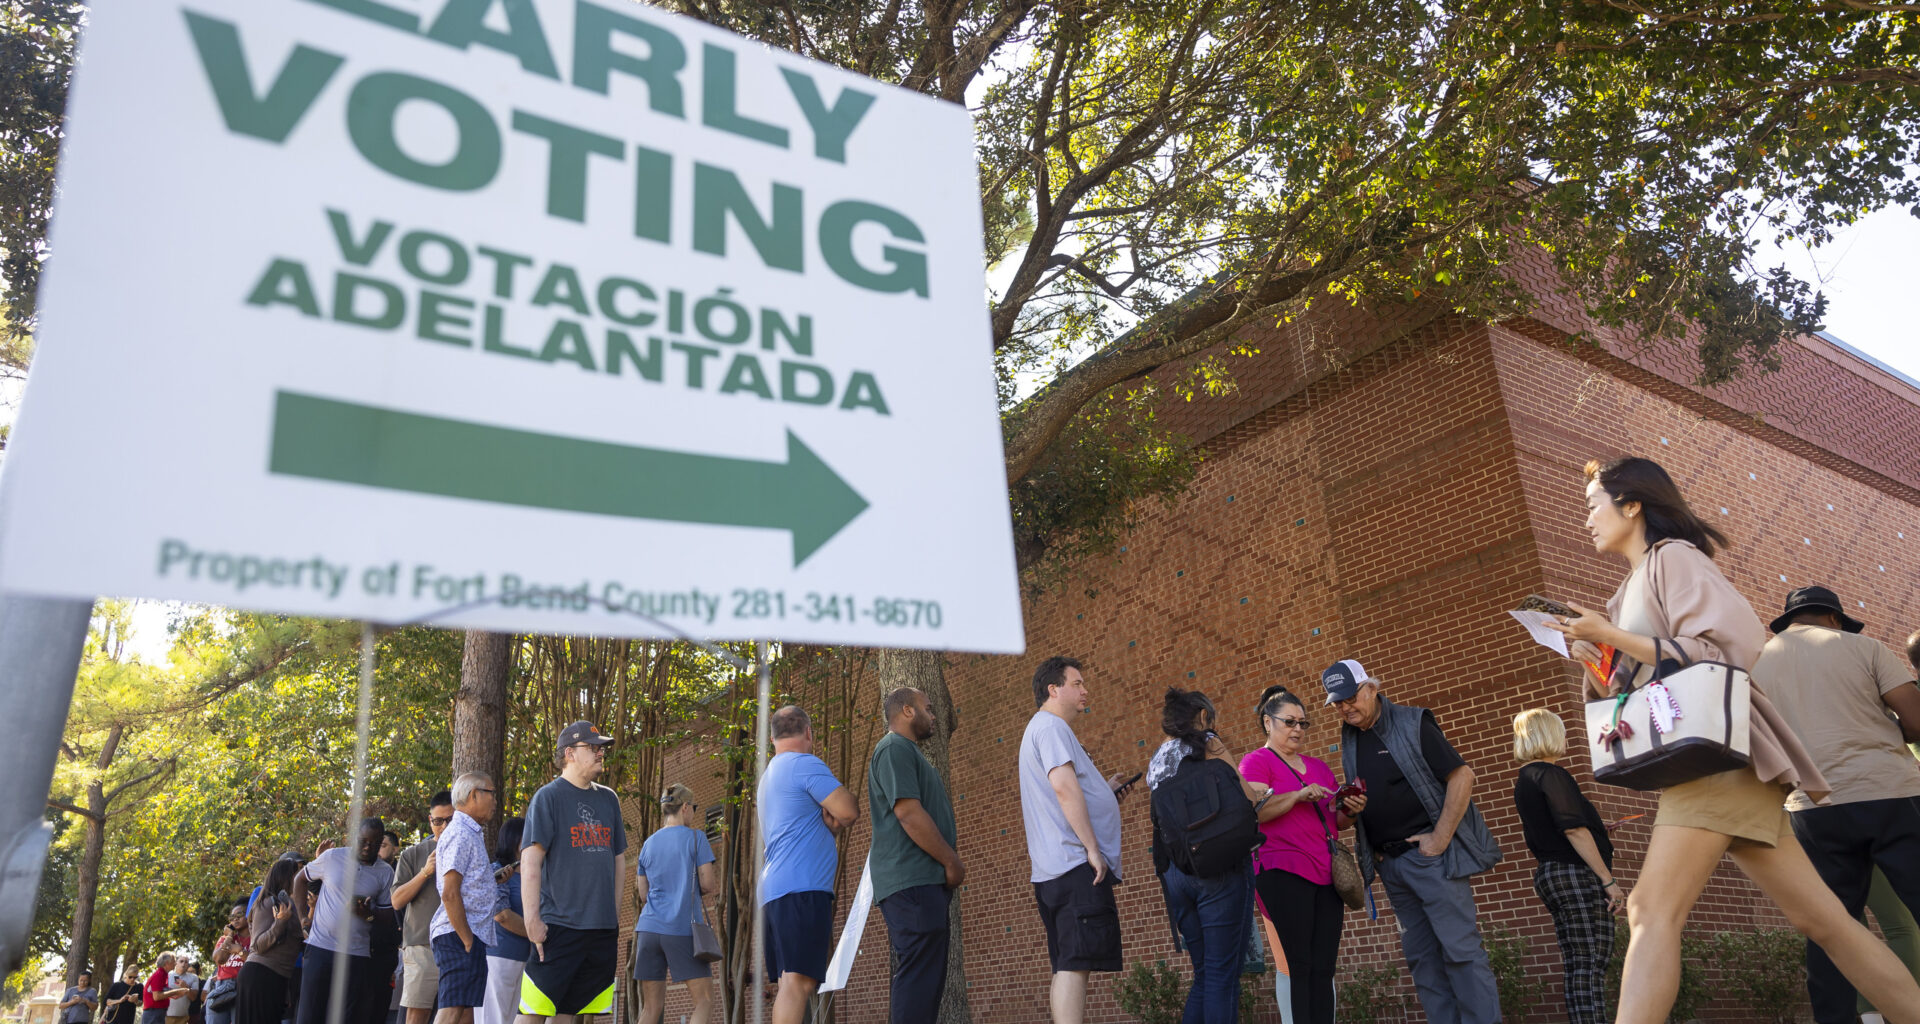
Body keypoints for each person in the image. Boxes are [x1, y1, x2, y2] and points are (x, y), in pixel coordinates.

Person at [1545, 455, 1920, 1024]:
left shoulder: (1675, 558)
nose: (1587, 518)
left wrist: (1614, 636)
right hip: (1712, 764)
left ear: (1633, 504)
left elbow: (1731, 648)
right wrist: (1594, 654)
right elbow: (1637, 683)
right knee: (1827, 924)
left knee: (1650, 910)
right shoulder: (1626, 591)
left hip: (1713, 764)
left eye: (1594, 505)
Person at [1747, 585, 1920, 1022]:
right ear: (1834, 618)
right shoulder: (1865, 647)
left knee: (1833, 928)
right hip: (1888, 793)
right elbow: (1916, 721)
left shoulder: (1757, 664)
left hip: (1811, 809)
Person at [1327, 657, 1503, 1024]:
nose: (1344, 708)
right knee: (1423, 961)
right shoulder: (1351, 737)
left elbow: (1462, 776)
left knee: (1461, 954)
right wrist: (1353, 811)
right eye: (1337, 703)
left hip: (1430, 860)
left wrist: (1439, 839)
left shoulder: (1412, 722)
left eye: (1350, 698)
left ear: (1371, 689)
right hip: (1389, 865)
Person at [1019, 656, 1136, 1024]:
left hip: (1053, 871)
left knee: (1066, 964)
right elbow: (1064, 788)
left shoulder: (1042, 729)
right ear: (1054, 689)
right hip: (1073, 866)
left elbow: (1072, 790)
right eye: (1077, 683)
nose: (1085, 690)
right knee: (1074, 965)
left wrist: (1104, 793)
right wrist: (1092, 849)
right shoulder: (1051, 728)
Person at [1241, 687, 1360, 1024]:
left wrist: (1351, 809)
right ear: (1268, 722)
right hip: (1283, 870)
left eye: (1302, 723)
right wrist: (1296, 795)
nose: (1297, 729)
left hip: (1326, 872)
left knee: (1324, 966)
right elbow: (1254, 813)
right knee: (1300, 964)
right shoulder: (1256, 762)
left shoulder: (1319, 767)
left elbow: (1337, 822)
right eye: (1289, 722)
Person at [1150, 687, 1263, 1023]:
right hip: (1218, 869)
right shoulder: (1209, 742)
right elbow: (1247, 797)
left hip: (1175, 873)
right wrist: (1259, 791)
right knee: (1222, 978)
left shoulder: (1158, 758)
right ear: (1202, 717)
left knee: (1203, 976)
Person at [1511, 708, 1622, 1024]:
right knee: (1592, 961)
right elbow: (1573, 829)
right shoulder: (1551, 774)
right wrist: (1608, 880)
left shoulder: (1525, 779)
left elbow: (1558, 825)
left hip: (1551, 874)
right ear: (1550, 734)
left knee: (1578, 964)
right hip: (1575, 874)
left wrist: (1598, 829)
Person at [517, 720, 626, 1024]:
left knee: (569, 1014)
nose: (600, 753)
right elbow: (530, 862)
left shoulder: (609, 799)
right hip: (559, 925)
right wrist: (531, 920)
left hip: (600, 929)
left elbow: (618, 860)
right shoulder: (548, 797)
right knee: (534, 1011)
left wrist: (613, 915)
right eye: (592, 747)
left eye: (601, 748)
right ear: (570, 753)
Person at [866, 688, 964, 1024]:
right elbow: (908, 813)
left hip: (923, 884)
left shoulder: (907, 752)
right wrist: (950, 861)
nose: (934, 716)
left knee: (926, 982)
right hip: (912, 883)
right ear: (907, 711)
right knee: (918, 978)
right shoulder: (893, 747)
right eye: (928, 708)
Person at [757, 706, 859, 1024]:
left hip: (774, 892)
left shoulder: (768, 776)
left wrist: (828, 827)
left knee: (789, 982)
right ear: (808, 733)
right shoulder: (803, 764)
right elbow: (848, 810)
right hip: (801, 889)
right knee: (798, 984)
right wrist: (839, 816)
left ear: (772, 738)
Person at [294, 818, 397, 1024]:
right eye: (363, 841)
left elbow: (388, 916)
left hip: (356, 955)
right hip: (321, 948)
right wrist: (303, 917)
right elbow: (300, 879)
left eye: (374, 843)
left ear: (380, 843)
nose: (367, 847)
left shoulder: (385, 872)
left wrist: (369, 913)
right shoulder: (332, 857)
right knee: (310, 1014)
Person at [632, 785, 718, 1024]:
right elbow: (708, 884)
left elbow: (643, 894)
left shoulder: (648, 844)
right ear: (685, 807)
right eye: (694, 807)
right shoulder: (696, 838)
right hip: (681, 928)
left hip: (648, 930)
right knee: (704, 1001)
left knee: (650, 1008)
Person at [431, 773, 499, 1024]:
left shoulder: (469, 832)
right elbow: (450, 892)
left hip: (466, 934)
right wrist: (467, 938)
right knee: (452, 1010)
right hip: (458, 934)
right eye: (492, 793)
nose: (495, 801)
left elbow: (467, 883)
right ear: (474, 795)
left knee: (464, 1012)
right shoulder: (460, 832)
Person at [392, 792, 453, 1024]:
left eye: (450, 820)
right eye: (438, 821)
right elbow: (396, 900)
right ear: (430, 821)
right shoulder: (413, 854)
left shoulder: (468, 849)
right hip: (422, 945)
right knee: (418, 1013)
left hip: (458, 943)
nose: (444, 826)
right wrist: (425, 872)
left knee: (459, 1012)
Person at [236, 858, 304, 1024]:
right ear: (285, 877)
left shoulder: (290, 904)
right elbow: (258, 945)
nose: (300, 879)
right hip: (260, 975)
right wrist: (280, 923)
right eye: (296, 875)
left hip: (278, 978)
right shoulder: (266, 903)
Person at [478, 817, 529, 1024]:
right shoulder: (497, 870)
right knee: (493, 1018)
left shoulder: (534, 874)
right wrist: (538, 934)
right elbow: (502, 915)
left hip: (528, 960)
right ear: (513, 839)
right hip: (498, 957)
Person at [208, 906, 252, 1024]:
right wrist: (229, 936)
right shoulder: (226, 939)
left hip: (243, 986)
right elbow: (219, 959)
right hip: (222, 987)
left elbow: (256, 963)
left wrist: (240, 951)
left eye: (239, 915)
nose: (235, 919)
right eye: (232, 917)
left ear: (249, 915)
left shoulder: (255, 938)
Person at [143, 955, 190, 1024]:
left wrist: (174, 994)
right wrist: (176, 992)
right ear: (167, 963)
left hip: (158, 1012)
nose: (175, 964)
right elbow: (156, 996)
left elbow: (162, 992)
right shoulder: (159, 974)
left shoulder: (164, 974)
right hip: (153, 1013)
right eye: (174, 961)